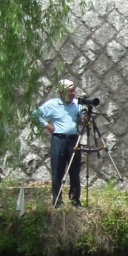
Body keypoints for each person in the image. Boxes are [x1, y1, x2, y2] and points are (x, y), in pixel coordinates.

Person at [37, 77, 82, 207]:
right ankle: (57, 201)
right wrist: (47, 126)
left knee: (75, 171)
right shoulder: (52, 104)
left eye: (74, 91)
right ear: (62, 92)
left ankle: (75, 199)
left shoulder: (77, 104)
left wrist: (83, 120)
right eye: (70, 91)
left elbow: (81, 120)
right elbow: (35, 114)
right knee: (58, 171)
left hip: (74, 139)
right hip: (59, 140)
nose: (73, 93)